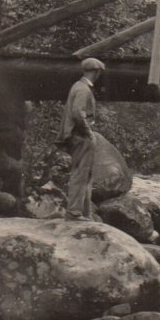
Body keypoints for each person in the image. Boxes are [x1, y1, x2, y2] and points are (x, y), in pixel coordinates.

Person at [56, 58, 106, 220]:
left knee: (86, 174)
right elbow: (78, 113)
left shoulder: (77, 86)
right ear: (96, 72)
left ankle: (85, 213)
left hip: (77, 136)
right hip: (80, 137)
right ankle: (74, 212)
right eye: (99, 73)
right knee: (81, 173)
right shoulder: (83, 89)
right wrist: (88, 132)